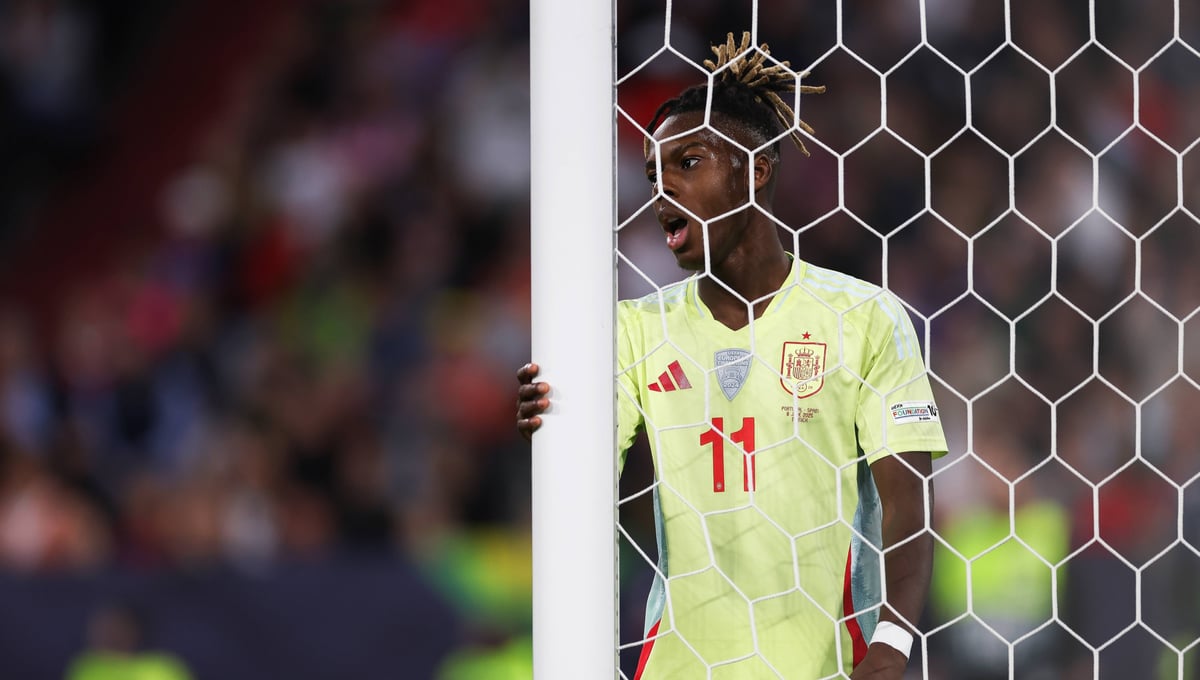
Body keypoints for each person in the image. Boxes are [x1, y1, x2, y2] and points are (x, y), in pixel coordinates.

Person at [517, 32, 947, 680]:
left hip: (827, 666)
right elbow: (588, 485)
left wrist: (892, 642)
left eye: (687, 163)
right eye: (653, 174)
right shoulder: (635, 330)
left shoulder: (863, 318)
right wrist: (552, 423)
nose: (663, 189)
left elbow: (908, 504)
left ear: (755, 170)